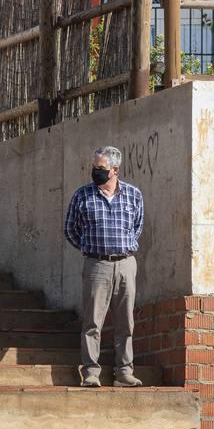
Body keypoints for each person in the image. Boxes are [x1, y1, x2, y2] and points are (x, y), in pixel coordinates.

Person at [63, 145, 145, 388]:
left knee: (125, 322)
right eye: (94, 167)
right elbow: (70, 230)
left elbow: (137, 227)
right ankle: (90, 372)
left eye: (101, 168)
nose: (95, 172)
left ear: (115, 170)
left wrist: (123, 248)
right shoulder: (82, 195)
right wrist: (90, 248)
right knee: (93, 321)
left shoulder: (133, 194)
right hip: (97, 264)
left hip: (126, 264)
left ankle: (124, 372)